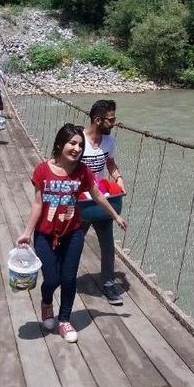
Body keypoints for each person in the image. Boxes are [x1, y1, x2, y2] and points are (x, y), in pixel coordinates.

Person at [16, 124, 127, 343]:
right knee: (52, 278)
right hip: (45, 234)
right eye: (72, 143)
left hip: (73, 232)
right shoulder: (42, 170)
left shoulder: (83, 172)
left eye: (80, 145)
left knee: (68, 278)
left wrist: (116, 215)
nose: (76, 148)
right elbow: (38, 204)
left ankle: (65, 319)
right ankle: (47, 303)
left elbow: (96, 195)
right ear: (60, 143)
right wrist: (26, 233)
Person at [79, 100, 125, 305]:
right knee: (73, 242)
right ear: (98, 120)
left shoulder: (109, 141)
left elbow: (111, 163)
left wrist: (119, 179)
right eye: (111, 119)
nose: (114, 123)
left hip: (101, 199)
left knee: (107, 244)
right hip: (79, 201)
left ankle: (108, 283)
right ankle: (65, 277)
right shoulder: (77, 140)